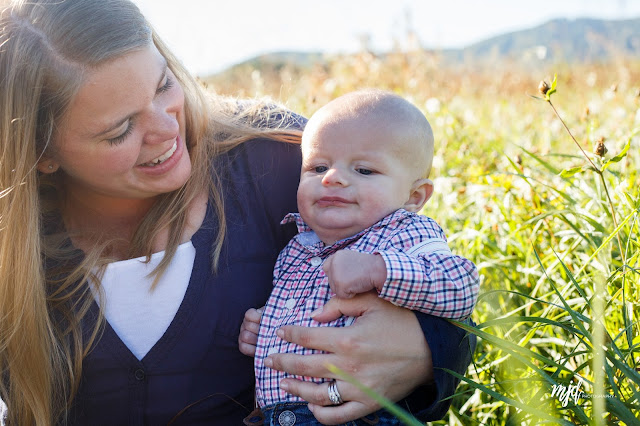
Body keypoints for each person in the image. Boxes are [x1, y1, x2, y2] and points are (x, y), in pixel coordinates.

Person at [0, 1, 476, 425]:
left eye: (164, 84)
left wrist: (422, 351)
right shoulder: (11, 241)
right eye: (120, 129)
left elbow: (443, 294)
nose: (167, 129)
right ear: (41, 154)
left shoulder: (282, 158)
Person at [239, 90, 479, 424]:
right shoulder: (297, 248)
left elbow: (462, 286)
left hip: (363, 415)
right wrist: (267, 326)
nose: (332, 176)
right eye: (317, 166)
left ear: (414, 196)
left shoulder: (404, 232)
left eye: (364, 170)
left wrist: (380, 270)